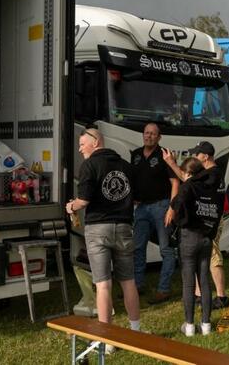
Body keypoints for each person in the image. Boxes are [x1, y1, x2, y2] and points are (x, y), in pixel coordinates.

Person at [65, 128, 141, 351]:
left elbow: (84, 200)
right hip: (125, 227)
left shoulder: (90, 165)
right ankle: (135, 332)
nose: (80, 149)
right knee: (128, 281)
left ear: (95, 142)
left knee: (103, 284)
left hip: (98, 229)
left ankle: (106, 341)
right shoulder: (125, 166)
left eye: (82, 144)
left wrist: (71, 206)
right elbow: (135, 199)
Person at [163, 141, 229, 309]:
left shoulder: (212, 174)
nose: (194, 157)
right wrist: (171, 163)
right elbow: (187, 179)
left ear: (205, 157)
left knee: (214, 257)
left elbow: (188, 181)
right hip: (205, 222)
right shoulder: (209, 174)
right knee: (200, 257)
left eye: (197, 154)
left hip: (210, 223)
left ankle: (222, 297)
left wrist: (172, 163)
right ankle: (199, 295)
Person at [164, 157, 220, 336]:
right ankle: (206, 325)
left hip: (189, 237)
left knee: (188, 283)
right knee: (204, 280)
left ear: (187, 173)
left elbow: (176, 204)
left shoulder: (188, 186)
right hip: (206, 238)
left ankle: (189, 326)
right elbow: (217, 213)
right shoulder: (211, 187)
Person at [131, 122, 179, 303]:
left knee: (166, 249)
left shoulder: (164, 155)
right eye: (146, 133)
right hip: (142, 208)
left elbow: (175, 183)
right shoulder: (135, 155)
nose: (148, 136)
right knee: (137, 248)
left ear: (159, 137)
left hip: (162, 206)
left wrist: (171, 208)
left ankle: (164, 289)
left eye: (153, 134)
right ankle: (137, 285)